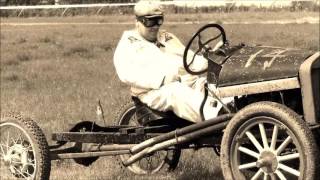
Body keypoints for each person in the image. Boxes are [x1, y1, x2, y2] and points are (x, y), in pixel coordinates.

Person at [113, 1, 228, 123]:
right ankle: (222, 119)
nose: (156, 26)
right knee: (176, 92)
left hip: (186, 84)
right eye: (150, 21)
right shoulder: (129, 44)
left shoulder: (166, 37)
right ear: (138, 22)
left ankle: (238, 110)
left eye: (159, 20)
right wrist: (162, 80)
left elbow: (191, 61)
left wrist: (212, 57)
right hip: (154, 92)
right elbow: (127, 74)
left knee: (210, 84)